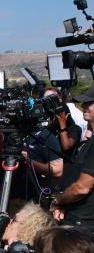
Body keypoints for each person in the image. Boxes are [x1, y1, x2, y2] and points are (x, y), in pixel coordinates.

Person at [50, 86, 94, 230]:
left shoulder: (77, 131)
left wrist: (58, 201)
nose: (84, 106)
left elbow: (82, 188)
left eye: (89, 103)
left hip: (84, 225)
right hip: (76, 216)